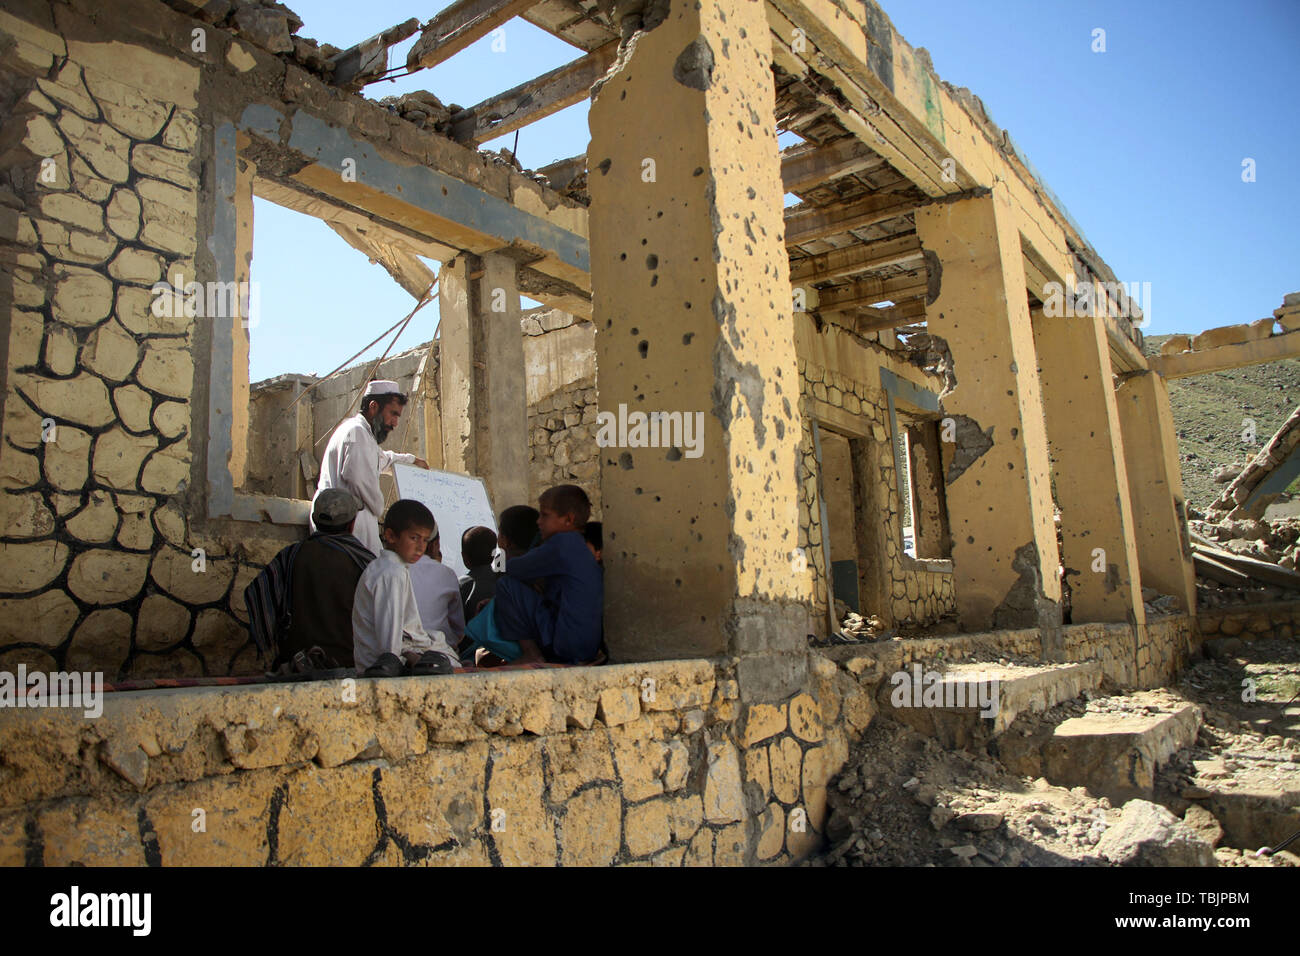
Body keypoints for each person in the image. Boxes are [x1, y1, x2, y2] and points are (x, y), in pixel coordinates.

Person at [244, 489, 375, 674]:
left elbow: (256, 593)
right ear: (352, 524)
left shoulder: (290, 556)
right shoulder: (365, 562)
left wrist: (269, 646)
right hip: (350, 666)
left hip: (296, 666)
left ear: (314, 520)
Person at [313, 379, 429, 557]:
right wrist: (379, 508)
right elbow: (357, 476)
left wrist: (412, 461)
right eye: (393, 414)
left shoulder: (361, 434)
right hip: (344, 531)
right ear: (374, 407)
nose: (395, 423)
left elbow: (383, 460)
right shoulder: (356, 432)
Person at [494, 485, 603, 664]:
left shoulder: (562, 543)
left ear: (568, 519)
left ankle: (531, 653)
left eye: (544, 515)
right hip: (586, 647)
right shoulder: (578, 545)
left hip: (567, 645)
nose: (538, 522)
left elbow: (513, 568)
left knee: (506, 585)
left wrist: (500, 557)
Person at [352, 499, 459, 678]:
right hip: (386, 663)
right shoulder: (391, 573)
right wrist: (409, 661)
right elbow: (390, 638)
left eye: (425, 540)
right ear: (391, 536)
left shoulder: (388, 567)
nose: (420, 547)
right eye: (414, 538)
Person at [410, 526, 466, 649]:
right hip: (439, 653)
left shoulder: (385, 569)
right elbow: (459, 630)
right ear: (435, 544)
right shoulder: (446, 573)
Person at [458, 525, 499, 624]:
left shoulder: (461, 584)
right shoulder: (503, 580)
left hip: (471, 637)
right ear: (493, 556)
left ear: (464, 557)